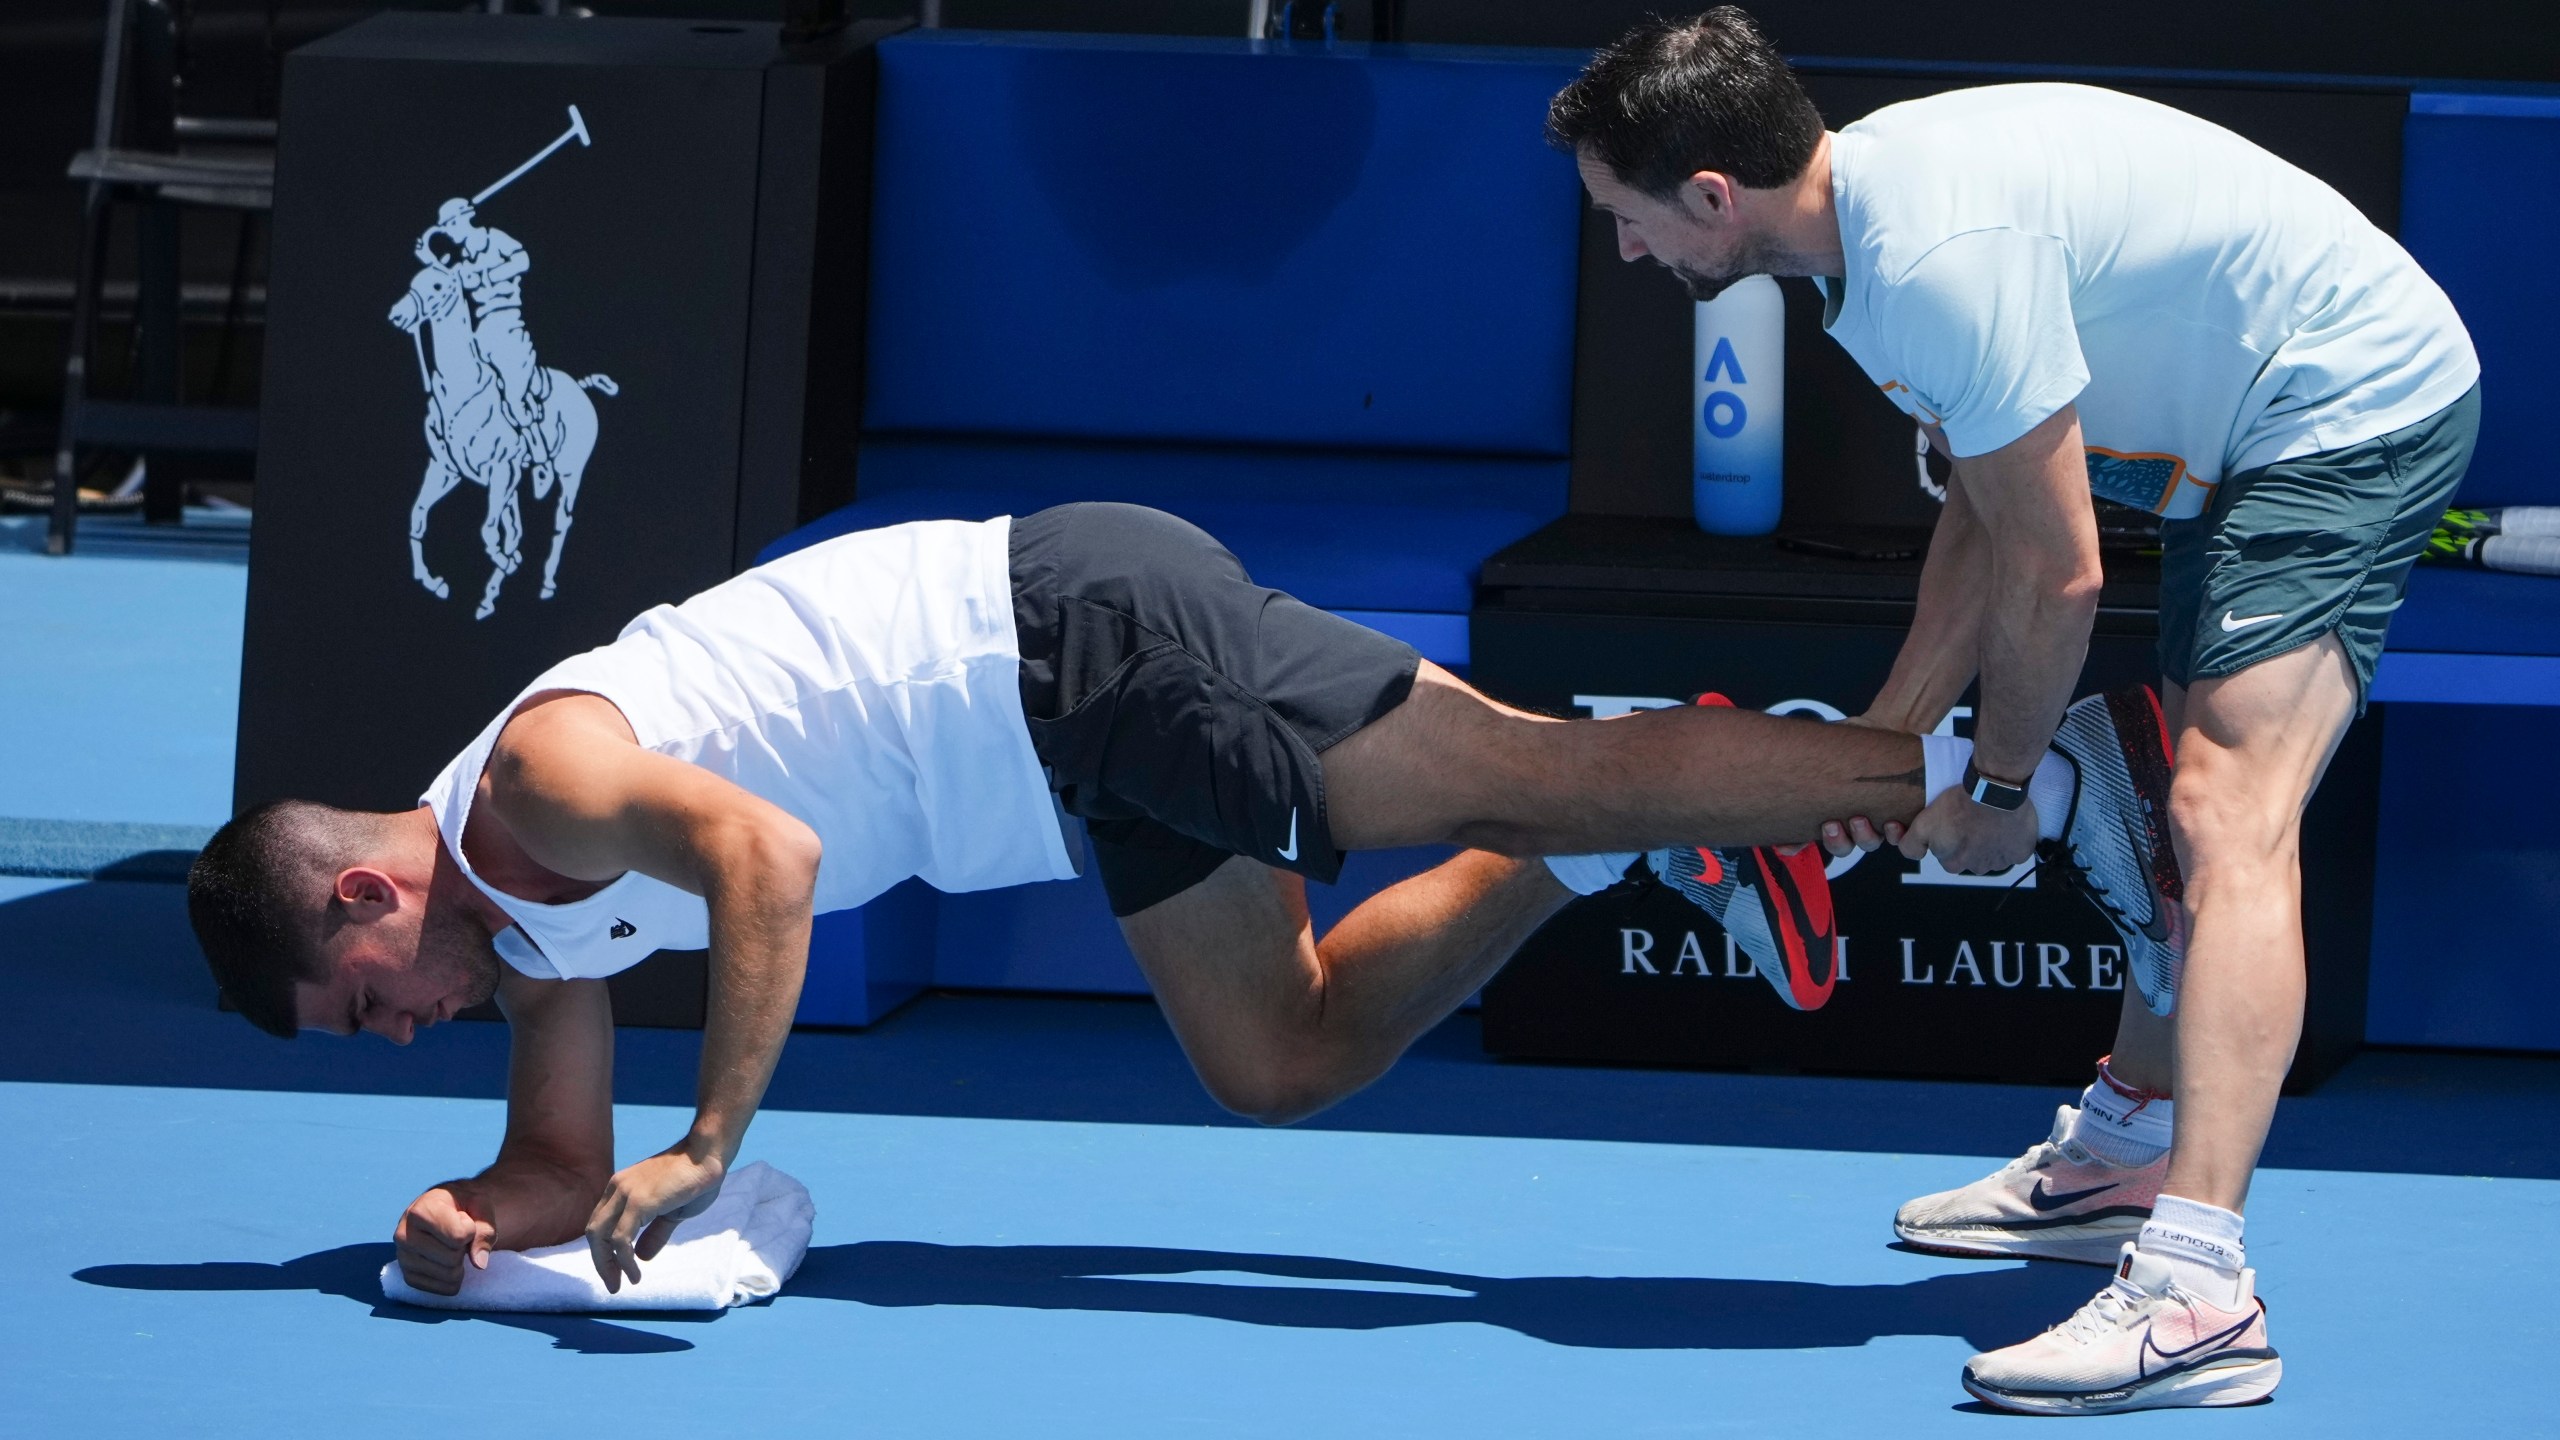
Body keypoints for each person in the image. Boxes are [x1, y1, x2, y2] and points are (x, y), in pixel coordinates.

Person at [186, 502, 2168, 1302]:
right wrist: (455, 1229)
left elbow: (768, 863)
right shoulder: (517, 933)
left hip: (1077, 646)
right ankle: (1604, 844)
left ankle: (2015, 758)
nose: (394, 1033)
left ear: (368, 891)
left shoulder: (541, 782)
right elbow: (547, 1163)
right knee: (1276, 1054)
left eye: (361, 1004)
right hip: (1059, 762)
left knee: (1531, 754)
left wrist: (711, 1141)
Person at [1548, 8, 2477, 1415]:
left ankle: (2201, 1294)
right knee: (2177, 804)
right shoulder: (1861, 238)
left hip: (2344, 404)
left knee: (2229, 811)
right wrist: (1871, 766)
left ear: (1712, 196)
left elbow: (2057, 574)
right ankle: (2128, 1155)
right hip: (2238, 422)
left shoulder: (1928, 262)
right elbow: (1985, 529)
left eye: (1628, 219)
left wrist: (1993, 792)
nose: (1627, 252)